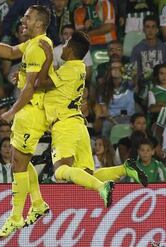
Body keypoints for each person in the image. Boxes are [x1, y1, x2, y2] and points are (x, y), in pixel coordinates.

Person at [36, 32, 147, 209]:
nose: (62, 49)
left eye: (64, 46)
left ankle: (102, 186)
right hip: (78, 125)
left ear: (71, 50)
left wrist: (49, 56)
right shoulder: (79, 67)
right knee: (86, 174)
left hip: (64, 126)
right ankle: (124, 169)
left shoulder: (68, 69)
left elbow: (40, 83)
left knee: (61, 171)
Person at [0, 5, 53, 237]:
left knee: (18, 163)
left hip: (33, 111)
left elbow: (30, 87)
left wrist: (10, 112)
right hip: (28, 111)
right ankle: (37, 204)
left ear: (39, 23)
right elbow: (9, 51)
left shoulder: (38, 48)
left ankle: (16, 217)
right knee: (17, 161)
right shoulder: (33, 44)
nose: (23, 21)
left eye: (28, 18)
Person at [131, 15, 166, 101]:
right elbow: (134, 71)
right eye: (147, 27)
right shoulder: (137, 49)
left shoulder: (164, 48)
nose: (150, 30)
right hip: (144, 86)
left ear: (157, 30)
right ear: (143, 29)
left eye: (153, 27)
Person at [98, 60, 135, 137]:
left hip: (127, 118)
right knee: (106, 127)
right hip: (110, 120)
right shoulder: (103, 89)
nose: (116, 70)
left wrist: (116, 115)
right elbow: (105, 112)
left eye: (119, 68)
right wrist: (114, 118)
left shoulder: (129, 87)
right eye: (113, 68)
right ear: (109, 71)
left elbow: (130, 109)